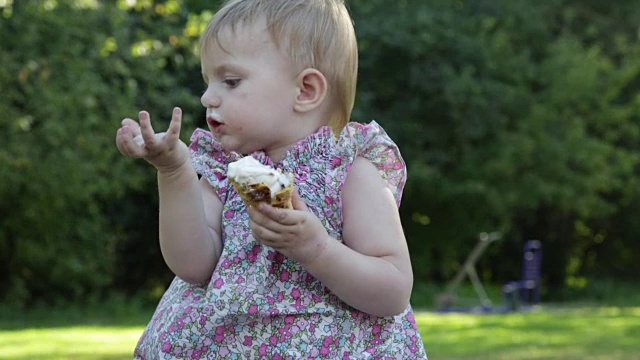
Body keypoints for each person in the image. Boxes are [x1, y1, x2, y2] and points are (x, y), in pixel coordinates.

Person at [115, 0, 428, 358]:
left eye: (230, 81)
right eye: (209, 81)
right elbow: (192, 264)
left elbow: (393, 290)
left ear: (305, 91)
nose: (207, 96)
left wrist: (316, 249)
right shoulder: (225, 173)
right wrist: (173, 172)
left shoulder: (350, 174)